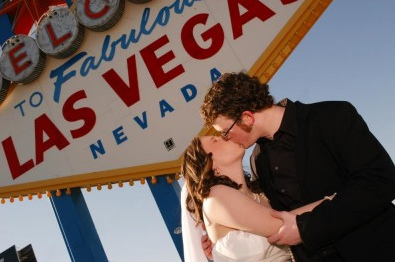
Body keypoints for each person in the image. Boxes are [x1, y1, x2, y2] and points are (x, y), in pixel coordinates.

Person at [199, 71, 395, 261]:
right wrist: (224, 241)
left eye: (226, 132)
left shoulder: (331, 116)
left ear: (247, 118)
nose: (226, 139)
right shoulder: (257, 160)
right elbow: (269, 217)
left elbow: (381, 180)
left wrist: (306, 228)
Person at [181, 135, 335, 261]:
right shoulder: (215, 197)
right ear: (211, 165)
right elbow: (283, 225)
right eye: (215, 141)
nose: (224, 137)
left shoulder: (261, 191)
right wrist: (338, 200)